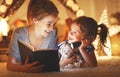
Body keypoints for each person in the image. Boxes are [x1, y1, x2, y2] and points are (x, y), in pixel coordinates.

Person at [7, 0, 59, 73]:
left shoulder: (53, 33)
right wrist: (23, 69)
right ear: (35, 20)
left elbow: (53, 61)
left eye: (54, 24)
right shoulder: (19, 33)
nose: (52, 29)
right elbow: (9, 65)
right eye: (49, 24)